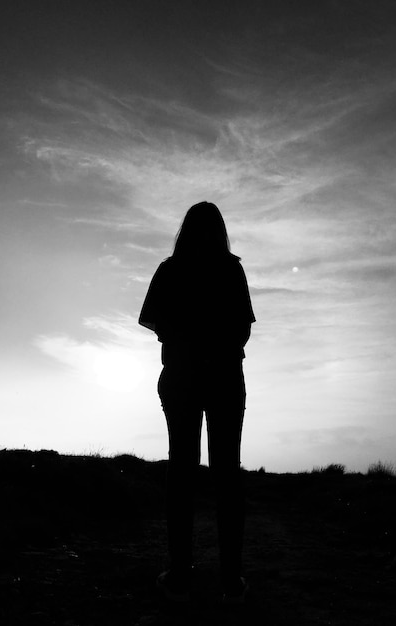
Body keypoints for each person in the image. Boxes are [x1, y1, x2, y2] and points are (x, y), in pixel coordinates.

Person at [139, 201, 256, 604]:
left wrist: (188, 342)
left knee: (183, 472)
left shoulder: (171, 270)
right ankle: (228, 577)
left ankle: (181, 573)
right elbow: (242, 330)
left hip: (184, 379)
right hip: (221, 379)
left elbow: (156, 324)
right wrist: (213, 347)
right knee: (226, 475)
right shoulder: (230, 270)